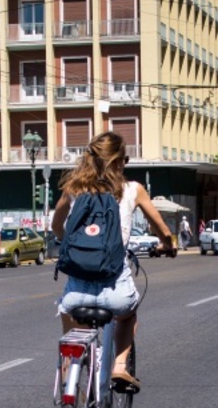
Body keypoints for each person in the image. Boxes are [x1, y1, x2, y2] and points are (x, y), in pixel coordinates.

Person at [50, 131, 173, 392]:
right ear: (120, 161)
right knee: (128, 315)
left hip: (76, 295)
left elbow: (57, 227)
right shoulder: (133, 190)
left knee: (71, 338)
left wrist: (72, 244)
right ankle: (119, 365)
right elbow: (163, 230)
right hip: (116, 292)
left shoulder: (73, 189)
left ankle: (70, 398)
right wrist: (167, 245)